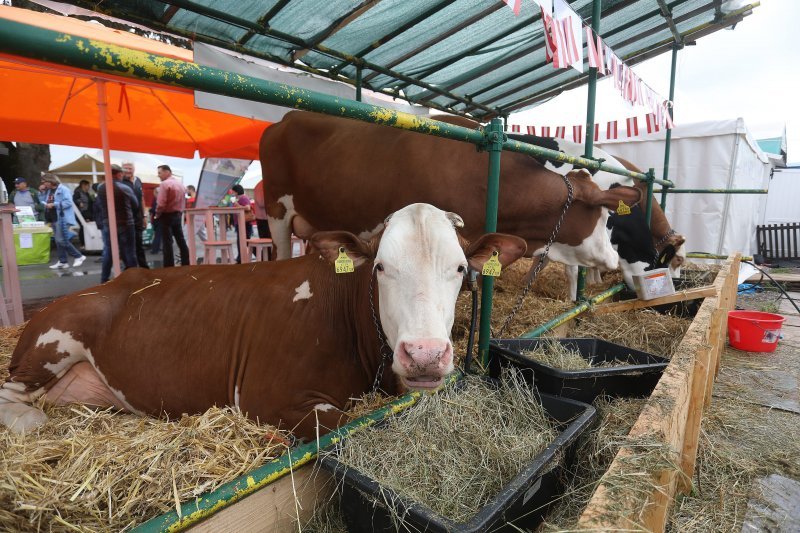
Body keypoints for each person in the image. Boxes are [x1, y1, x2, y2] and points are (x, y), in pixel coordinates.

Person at [96, 164, 139, 283]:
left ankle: (104, 278)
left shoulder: (100, 187)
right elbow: (135, 205)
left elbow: (99, 205)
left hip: (108, 223)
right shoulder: (124, 188)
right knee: (129, 251)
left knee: (108, 251)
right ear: (119, 174)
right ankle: (134, 278)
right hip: (126, 223)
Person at [41, 173, 86, 269]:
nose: (43, 184)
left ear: (50, 181)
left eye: (44, 182)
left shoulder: (64, 189)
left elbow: (69, 203)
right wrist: (42, 192)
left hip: (62, 218)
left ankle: (78, 256)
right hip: (53, 217)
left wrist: (54, 204)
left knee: (61, 240)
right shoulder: (48, 191)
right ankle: (63, 261)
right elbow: (42, 201)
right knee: (58, 241)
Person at [155, 164, 190, 267]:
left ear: (167, 172)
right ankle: (186, 263)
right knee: (180, 240)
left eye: (159, 173)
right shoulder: (181, 185)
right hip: (177, 215)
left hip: (166, 215)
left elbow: (161, 204)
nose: (158, 175)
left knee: (167, 242)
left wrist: (157, 214)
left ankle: (169, 266)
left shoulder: (165, 184)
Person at [120, 161, 149, 269]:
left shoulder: (138, 180)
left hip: (138, 218)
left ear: (134, 169)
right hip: (125, 218)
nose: (127, 170)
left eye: (129, 168)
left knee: (139, 244)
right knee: (127, 244)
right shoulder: (120, 182)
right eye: (125, 168)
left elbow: (141, 199)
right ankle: (129, 268)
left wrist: (144, 216)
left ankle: (144, 268)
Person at [229, 184, 253, 263]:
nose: (232, 193)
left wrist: (237, 205)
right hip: (240, 223)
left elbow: (248, 207)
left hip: (245, 223)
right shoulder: (238, 198)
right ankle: (241, 257)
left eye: (233, 191)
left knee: (244, 241)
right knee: (242, 241)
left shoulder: (243, 198)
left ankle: (241, 258)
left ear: (236, 191)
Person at [72, 179, 93, 246]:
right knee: (83, 226)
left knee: (86, 227)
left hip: (87, 212)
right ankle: (83, 243)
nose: (89, 187)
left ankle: (87, 242)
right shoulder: (77, 192)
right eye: (88, 186)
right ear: (83, 185)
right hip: (81, 213)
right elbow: (75, 200)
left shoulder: (86, 193)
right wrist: (79, 203)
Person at [149, 185, 161, 253]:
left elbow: (154, 209)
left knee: (157, 234)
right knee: (158, 234)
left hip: (157, 219)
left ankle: (155, 249)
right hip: (157, 219)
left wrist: (151, 211)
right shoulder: (157, 199)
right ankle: (156, 248)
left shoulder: (156, 199)